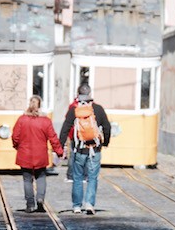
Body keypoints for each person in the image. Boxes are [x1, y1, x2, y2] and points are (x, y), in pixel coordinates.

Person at [58, 84, 110, 214]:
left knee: (77, 177)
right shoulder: (98, 109)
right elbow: (107, 127)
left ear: (78, 94)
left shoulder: (74, 110)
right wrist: (105, 143)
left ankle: (76, 206)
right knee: (92, 177)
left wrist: (60, 146)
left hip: (79, 149)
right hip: (95, 149)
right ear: (90, 93)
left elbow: (65, 129)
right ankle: (89, 204)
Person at [12, 96, 64, 212]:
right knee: (41, 177)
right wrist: (59, 152)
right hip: (40, 155)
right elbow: (53, 138)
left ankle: (30, 204)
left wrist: (17, 147)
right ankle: (40, 198)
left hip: (24, 154)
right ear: (40, 105)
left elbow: (15, 136)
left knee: (27, 179)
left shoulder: (22, 119)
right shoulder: (45, 121)